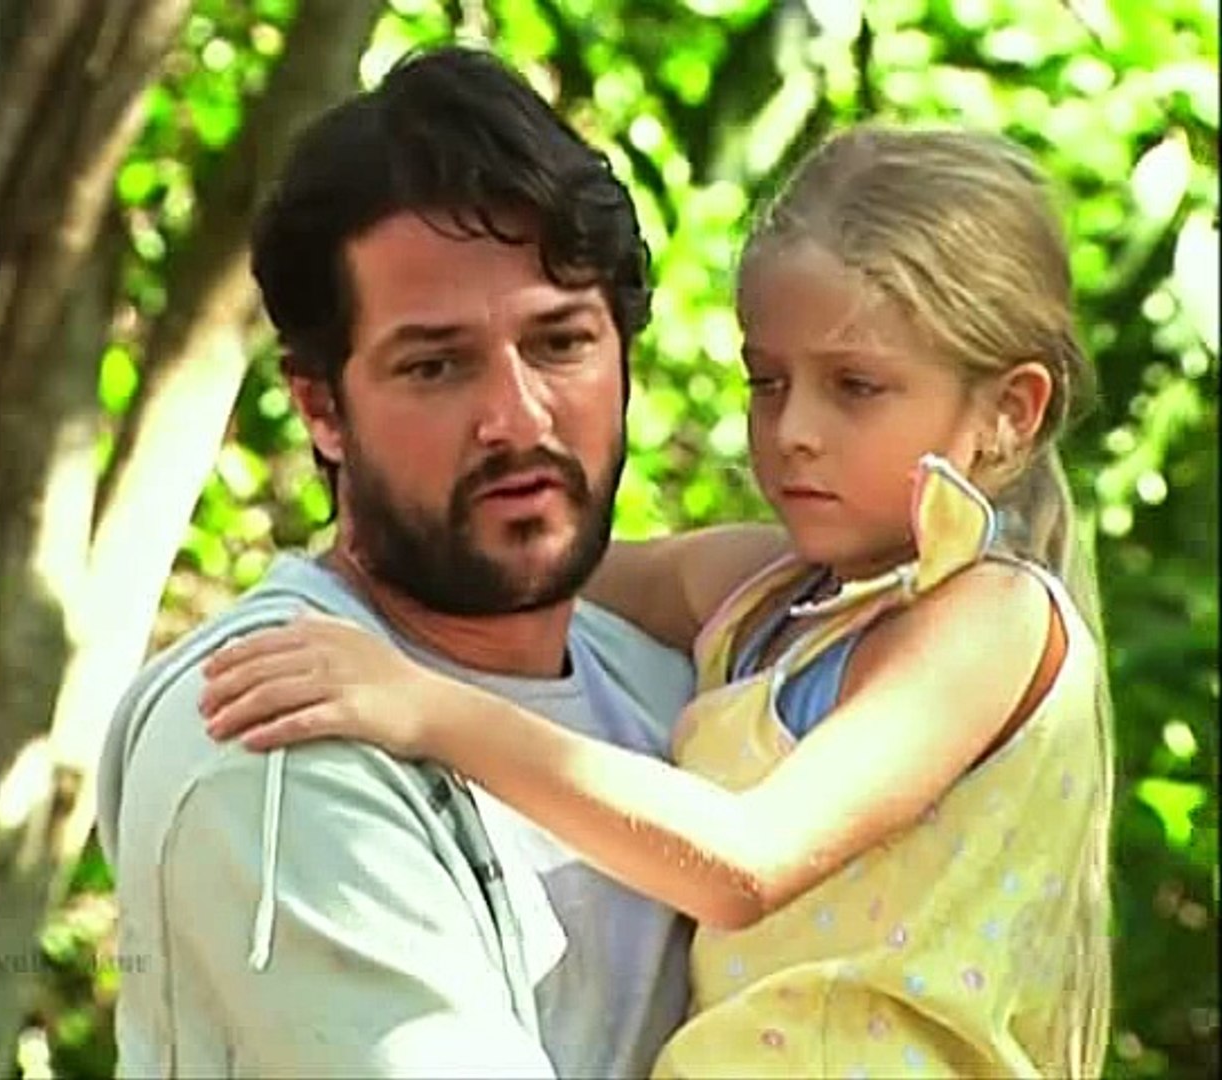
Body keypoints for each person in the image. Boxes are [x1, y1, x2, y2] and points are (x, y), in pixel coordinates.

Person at [201, 126, 1117, 1078]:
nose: (794, 431)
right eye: (768, 382)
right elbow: (493, 559)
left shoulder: (991, 618)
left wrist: (422, 706)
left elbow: (748, 862)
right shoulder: (760, 593)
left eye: (856, 387)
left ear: (1008, 412)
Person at [97, 45, 791, 1078]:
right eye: (436, 366)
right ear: (322, 408)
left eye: (560, 343)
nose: (517, 418)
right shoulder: (271, 729)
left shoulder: (678, 696)